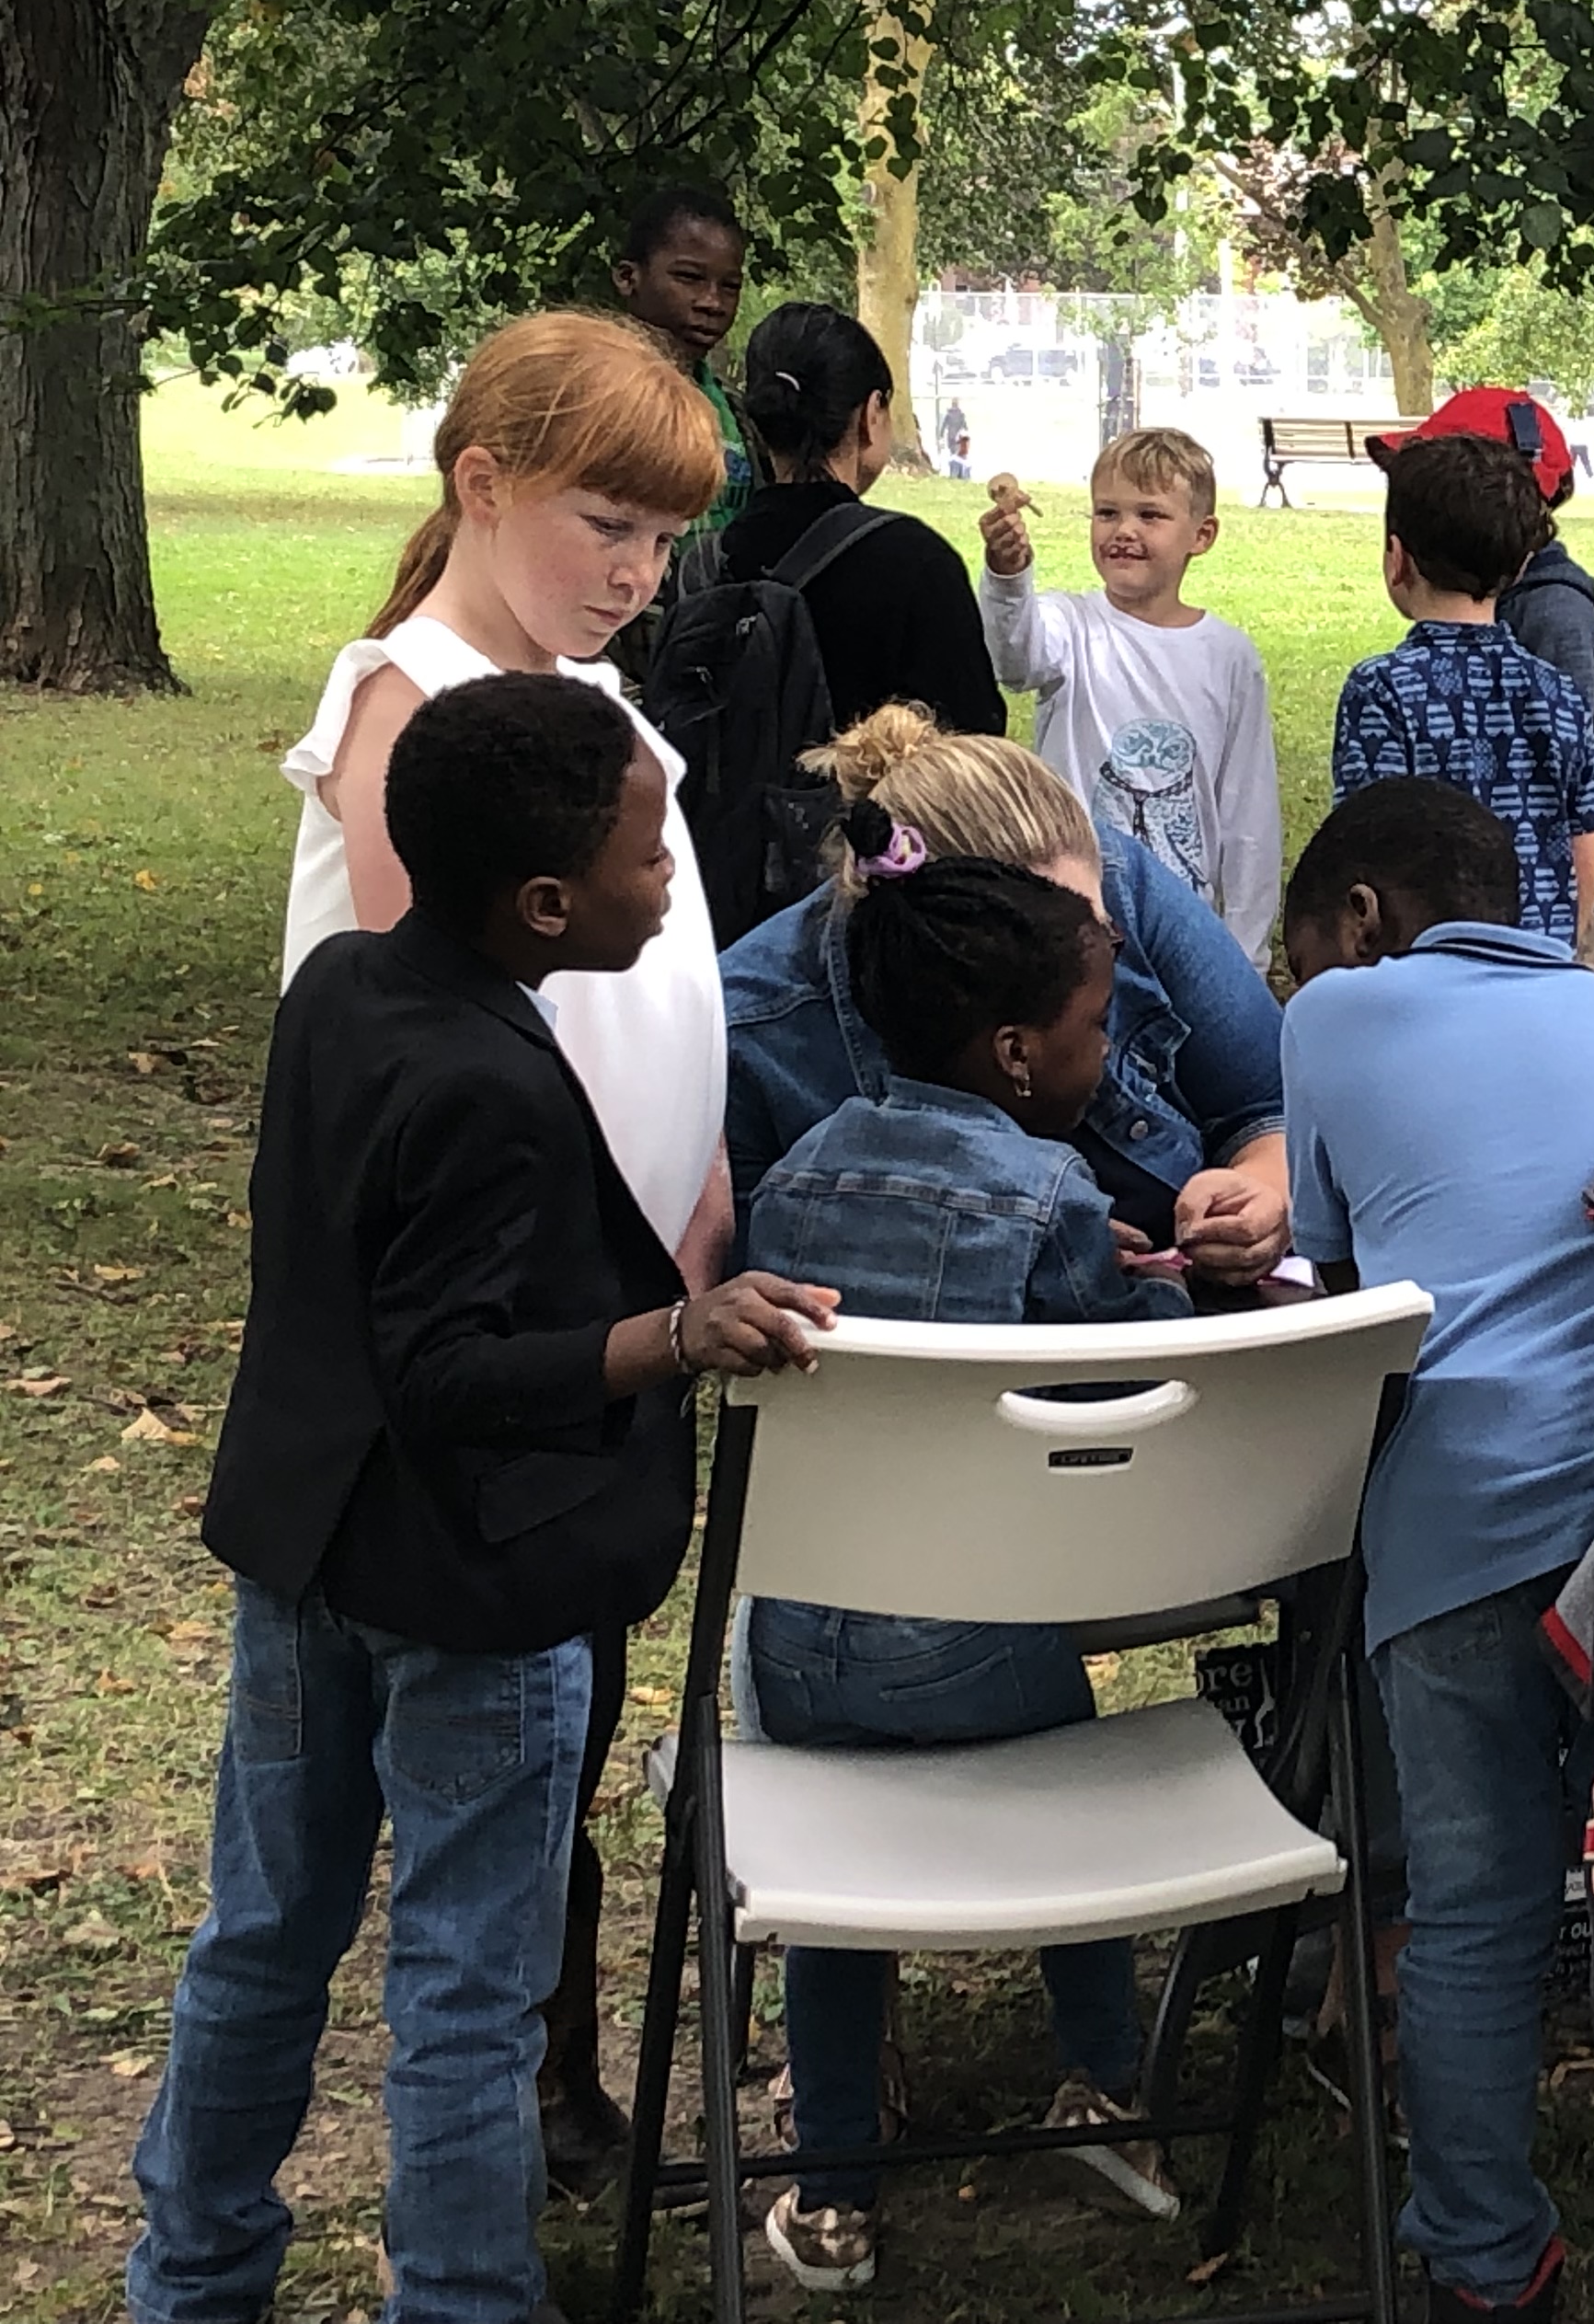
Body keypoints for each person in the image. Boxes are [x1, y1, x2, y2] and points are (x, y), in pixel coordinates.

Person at [132, 674, 828, 2324]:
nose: (670, 881)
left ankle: (196, 2270)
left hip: (308, 1538)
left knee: (264, 1931)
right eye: (648, 857)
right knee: (467, 1985)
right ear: (544, 902)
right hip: (472, 1585)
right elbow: (446, 1368)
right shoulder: (491, 1087)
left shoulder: (344, 988)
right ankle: (459, 2294)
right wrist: (675, 1331)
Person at [279, 305, 740, 2193]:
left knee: (563, 1716)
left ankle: (546, 2086)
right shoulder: (416, 706)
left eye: (661, 543)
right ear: (483, 485)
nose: (634, 575)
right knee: (490, 1741)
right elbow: (451, 1039)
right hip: (491, 1342)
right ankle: (526, 2103)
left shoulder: (590, 701)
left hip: (615, 1310)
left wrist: (699, 1208)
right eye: (603, 526)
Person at [1277, 782, 1594, 2321]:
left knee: (1474, 1903)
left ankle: (1483, 2252)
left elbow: (1339, 1261)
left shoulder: (1336, 1021)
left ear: (1357, 919)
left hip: (1449, 1533)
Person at [738, 841, 1202, 2292]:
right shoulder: (1047, 1190)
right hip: (977, 1635)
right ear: (1016, 1054)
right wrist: (1130, 1284)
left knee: (831, 1890)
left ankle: (828, 2185)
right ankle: (1106, 2090)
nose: (1106, 1048)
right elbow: (1101, 1365)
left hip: (795, 1642)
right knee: (1068, 1795)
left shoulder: (800, 1168)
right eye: (1093, 1026)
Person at [721, 708, 1289, 1275]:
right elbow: (756, 1290)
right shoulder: (754, 1029)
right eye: (1056, 959)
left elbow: (1270, 1104)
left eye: (1102, 936)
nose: (1091, 963)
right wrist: (1020, 1255)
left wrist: (1263, 1191)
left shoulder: (1115, 881)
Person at [980, 427, 1286, 958]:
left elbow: (1248, 817)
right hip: (1070, 918)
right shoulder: (1068, 624)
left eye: (1150, 515)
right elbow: (1015, 659)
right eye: (1107, 513)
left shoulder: (1228, 656)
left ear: (1202, 534)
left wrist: (1244, 954)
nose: (1124, 530)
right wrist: (1009, 577)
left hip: (1183, 929)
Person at [1328, 435, 1594, 951]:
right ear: (1522, 563)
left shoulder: (1381, 691)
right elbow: (1586, 848)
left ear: (1397, 559)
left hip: (1422, 978)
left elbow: (1361, 848)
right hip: (1537, 970)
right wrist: (1561, 951)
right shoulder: (1559, 693)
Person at [707, 302, 1003, 738]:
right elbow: (974, 739)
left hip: (719, 808)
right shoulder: (916, 563)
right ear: (870, 415)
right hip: (873, 805)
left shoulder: (707, 560)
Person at [610, 181, 758, 545]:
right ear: (629, 277)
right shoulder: (593, 393)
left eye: (730, 286)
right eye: (689, 278)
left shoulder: (733, 412)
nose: (712, 302)